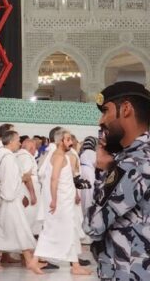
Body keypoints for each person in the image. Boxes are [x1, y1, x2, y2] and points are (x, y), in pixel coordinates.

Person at [84, 81, 150, 281]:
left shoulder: (133, 163)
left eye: (105, 111)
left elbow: (93, 225)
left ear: (126, 109)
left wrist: (105, 169)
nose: (101, 121)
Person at [0, 130, 43, 274]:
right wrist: (23, 179)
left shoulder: (1, 155)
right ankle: (29, 261)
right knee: (20, 228)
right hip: (10, 200)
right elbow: (9, 181)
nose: (19, 143)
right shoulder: (8, 158)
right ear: (10, 141)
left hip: (5, 199)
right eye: (17, 140)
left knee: (0, 229)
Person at [34, 129, 90, 275]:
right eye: (68, 139)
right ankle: (34, 261)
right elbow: (54, 179)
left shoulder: (62, 156)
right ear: (60, 141)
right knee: (53, 231)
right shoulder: (59, 157)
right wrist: (54, 200)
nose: (71, 142)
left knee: (67, 231)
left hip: (65, 201)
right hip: (60, 202)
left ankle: (75, 265)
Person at [16, 137, 41, 235]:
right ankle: (27, 236)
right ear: (31, 148)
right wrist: (32, 194)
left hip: (24, 189)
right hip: (27, 190)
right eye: (35, 148)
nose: (36, 151)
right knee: (30, 214)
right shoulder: (26, 157)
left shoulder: (19, 155)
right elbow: (27, 177)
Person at [78, 136, 97, 213]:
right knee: (89, 192)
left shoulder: (82, 152)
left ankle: (82, 210)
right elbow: (95, 164)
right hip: (89, 171)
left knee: (82, 191)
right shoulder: (93, 153)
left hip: (81, 170)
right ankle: (87, 209)